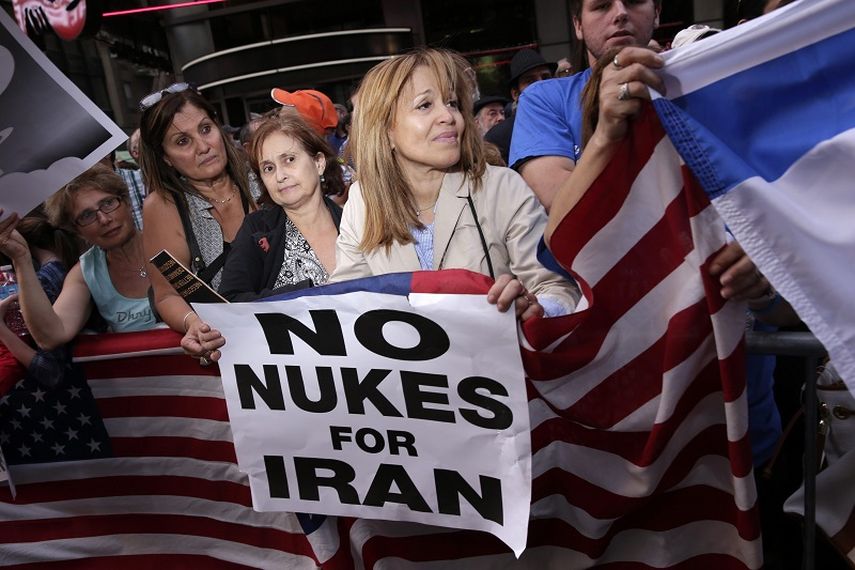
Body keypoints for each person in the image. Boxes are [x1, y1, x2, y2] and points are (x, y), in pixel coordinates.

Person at [331, 48, 579, 319]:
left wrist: (536, 310)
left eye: (452, 103)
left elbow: (558, 289)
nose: (449, 117)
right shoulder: (362, 202)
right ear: (386, 131)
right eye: (425, 105)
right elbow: (345, 304)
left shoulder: (502, 188)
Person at [138, 84, 260, 358]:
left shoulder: (264, 176)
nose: (204, 147)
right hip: (234, 352)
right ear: (165, 158)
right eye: (182, 141)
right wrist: (194, 324)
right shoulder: (165, 206)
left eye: (206, 129)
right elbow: (167, 295)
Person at [0, 164, 156, 353]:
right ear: (76, 230)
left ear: (127, 202)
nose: (104, 219)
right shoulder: (85, 273)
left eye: (108, 203)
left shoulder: (170, 240)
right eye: (87, 215)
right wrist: (21, 259)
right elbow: (51, 336)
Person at [218, 113, 344, 302]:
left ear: (318, 162)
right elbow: (230, 301)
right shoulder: (257, 230)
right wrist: (309, 294)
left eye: (289, 159)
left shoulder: (355, 222)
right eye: (268, 168)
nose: (280, 176)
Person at [484, 48, 556, 164]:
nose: (541, 84)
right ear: (516, 94)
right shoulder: (498, 138)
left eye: (546, 77)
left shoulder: (570, 121)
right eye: (530, 81)